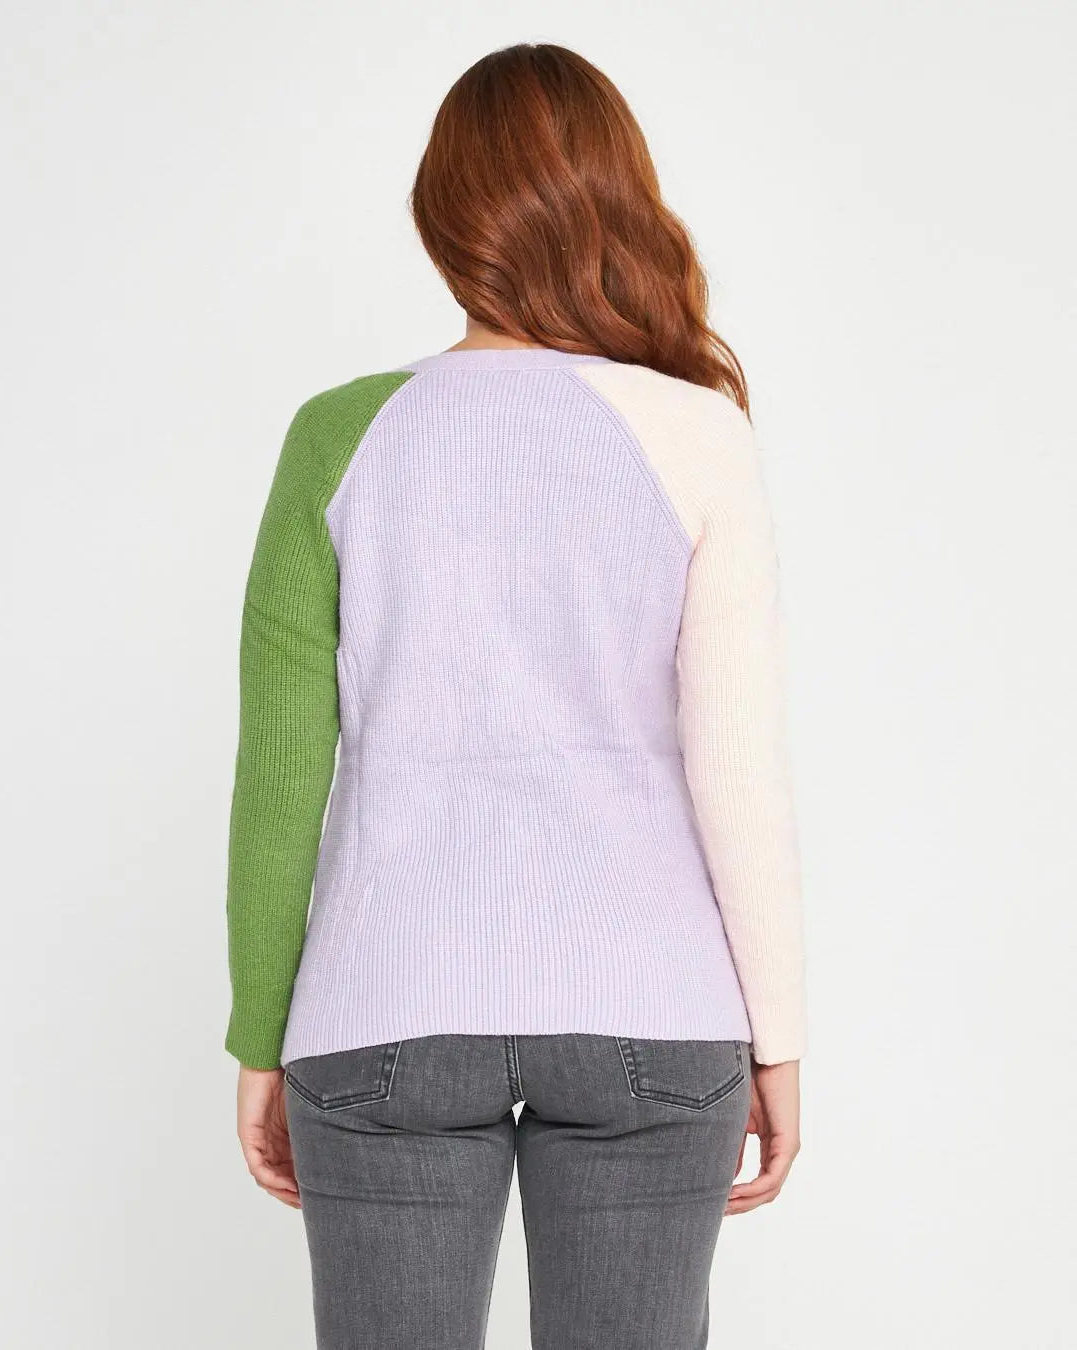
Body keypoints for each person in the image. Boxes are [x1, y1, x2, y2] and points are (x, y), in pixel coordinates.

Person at [225, 42, 806, 1350]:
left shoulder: (338, 435)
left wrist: (261, 1034)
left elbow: (281, 773)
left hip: (383, 1012)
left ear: (443, 214)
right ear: (619, 204)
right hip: (652, 1012)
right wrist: (777, 1034)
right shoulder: (699, 431)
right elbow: (736, 767)